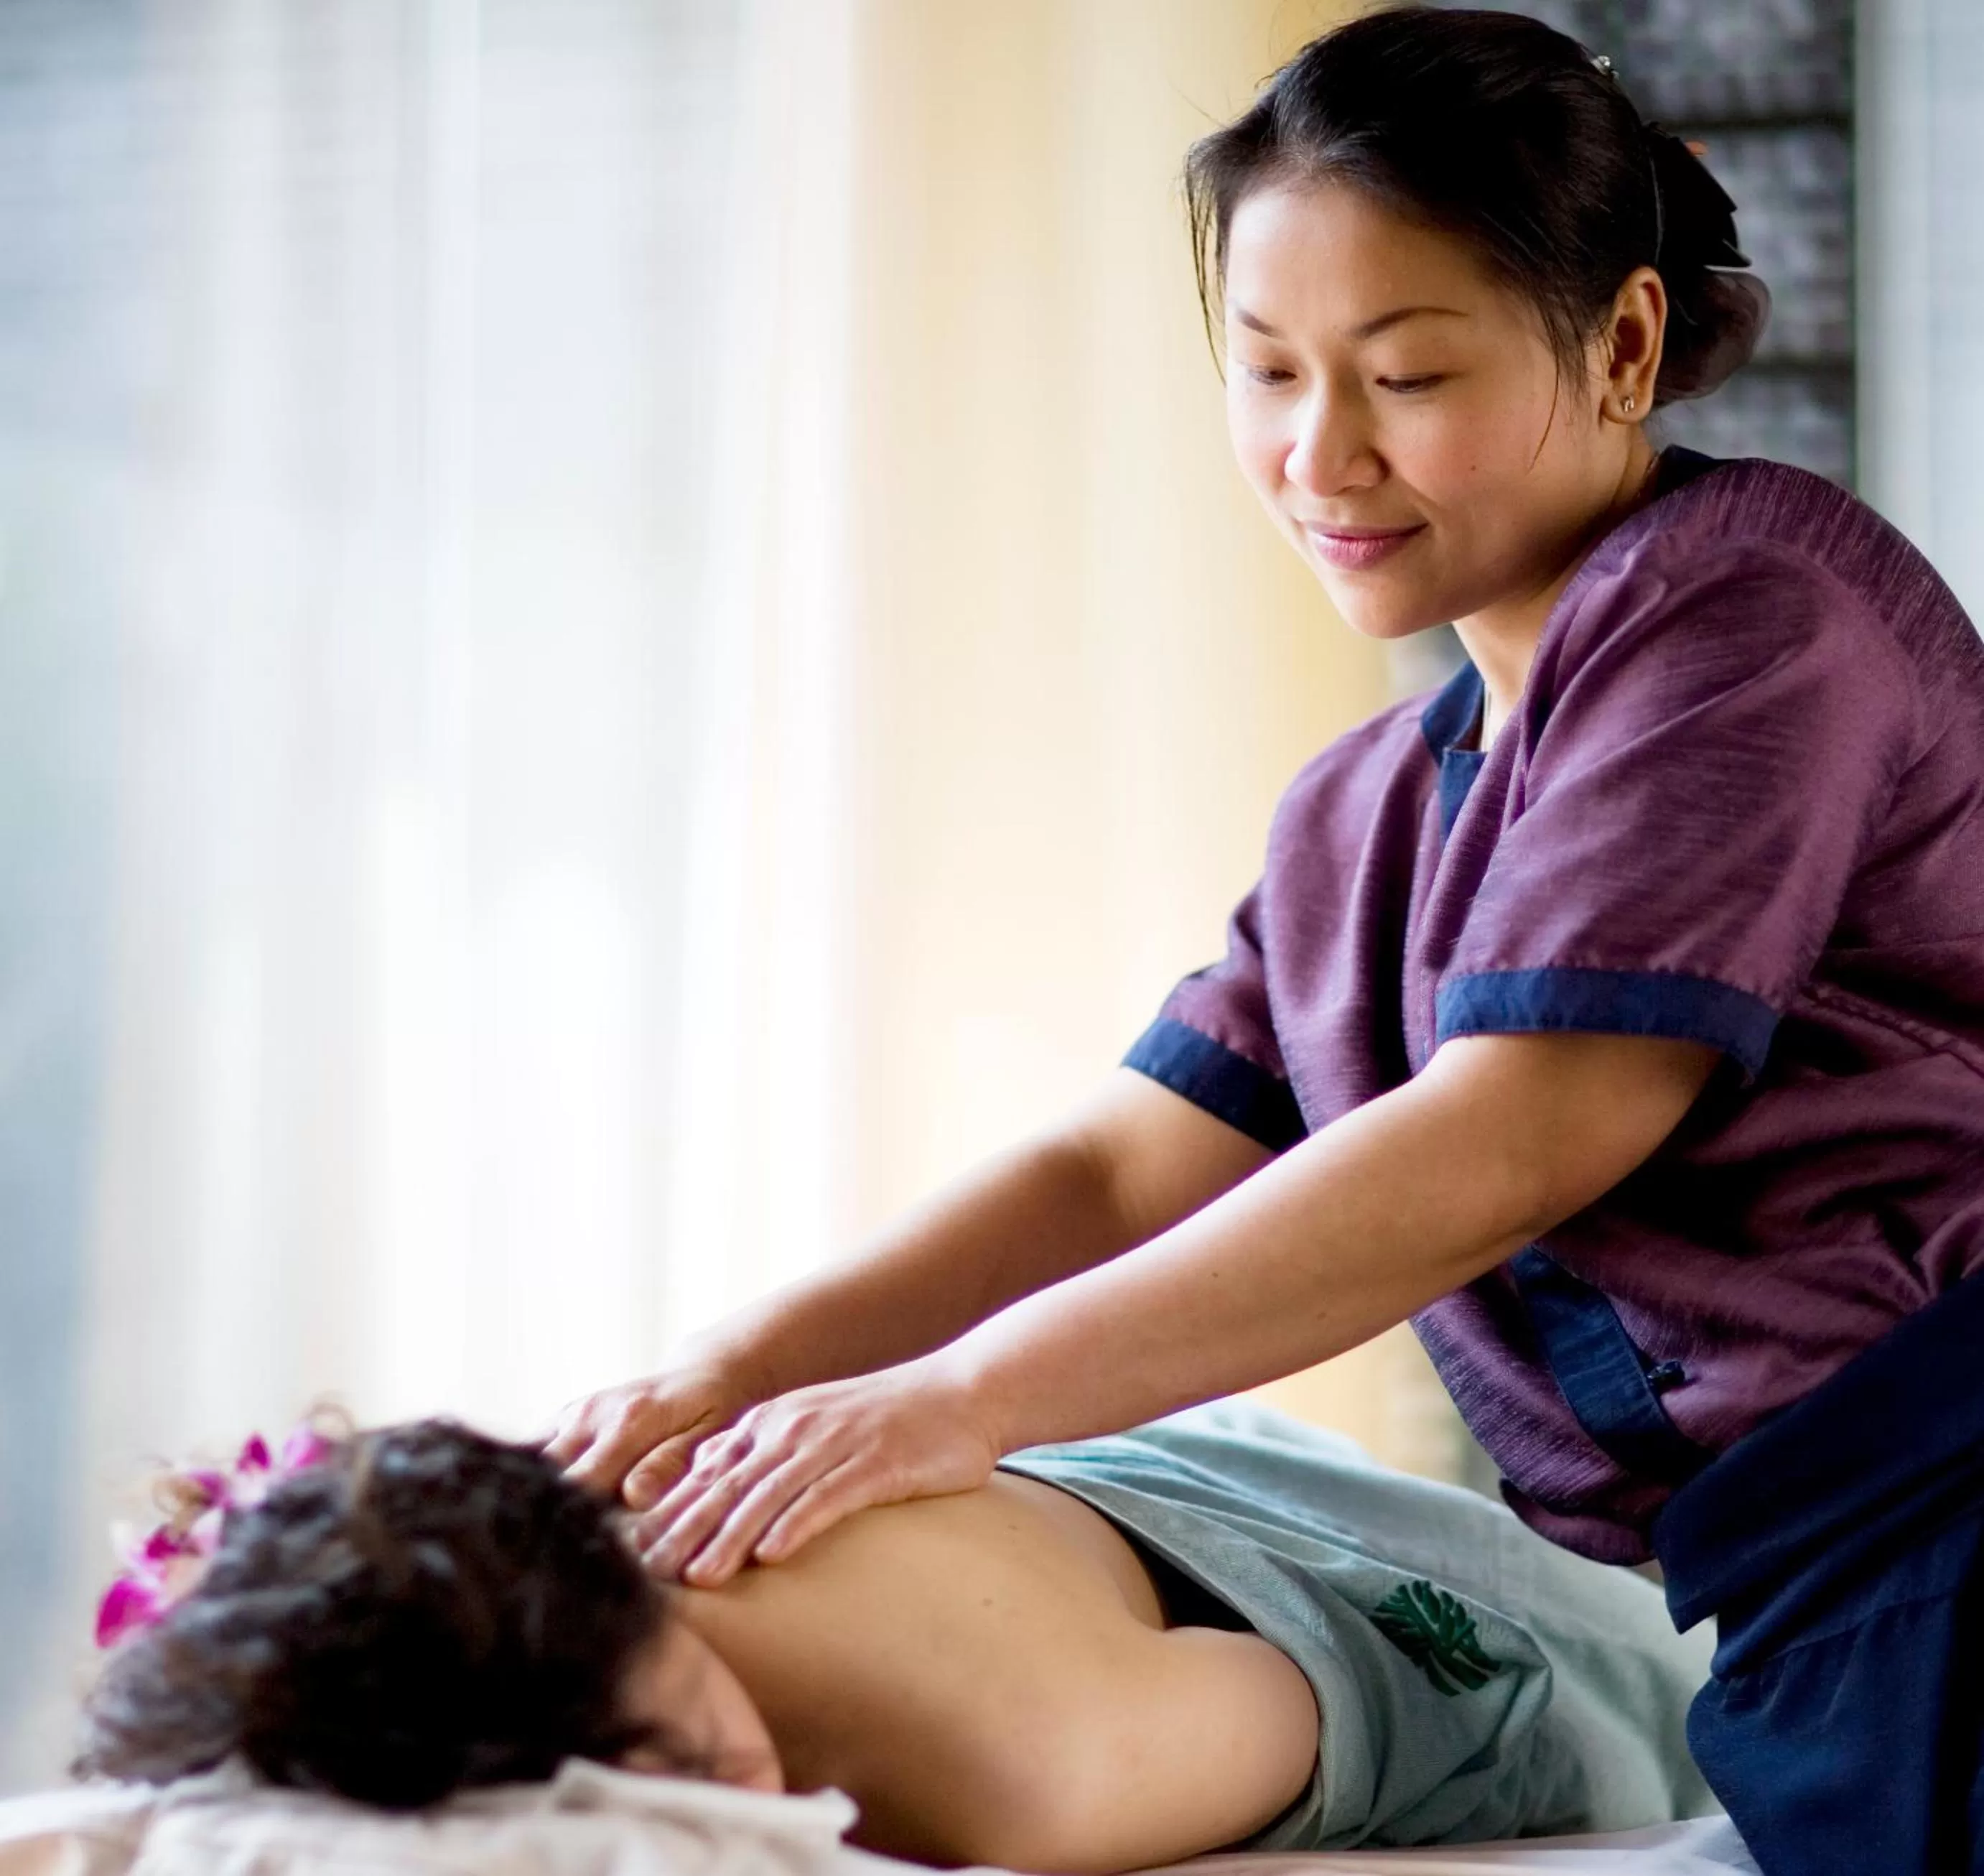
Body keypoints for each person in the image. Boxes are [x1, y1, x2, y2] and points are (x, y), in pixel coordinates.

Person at [544, 9, 1984, 1874]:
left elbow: (1520, 1130)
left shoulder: (1754, 619)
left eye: (1403, 373)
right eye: (1268, 369)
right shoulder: (1369, 813)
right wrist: (725, 1372)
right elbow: (1118, 1162)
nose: (1322, 453)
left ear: (1624, 343)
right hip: (1803, 1593)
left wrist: (957, 1403)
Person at [76, 1408, 1714, 1870]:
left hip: (1449, 1644)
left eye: (637, 1690)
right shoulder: (602, 1528)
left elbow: (1426, 1711)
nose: (680, 1773)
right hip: (1180, 1501)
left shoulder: (1040, 1777)